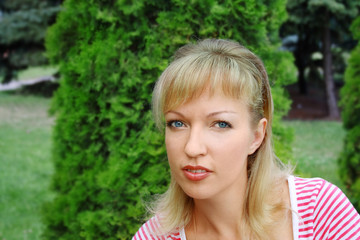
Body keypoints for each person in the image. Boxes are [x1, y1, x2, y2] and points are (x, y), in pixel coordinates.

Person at [132, 39, 360, 240]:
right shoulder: (153, 237)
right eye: (177, 123)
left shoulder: (319, 213)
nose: (192, 148)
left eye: (220, 124)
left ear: (256, 136)